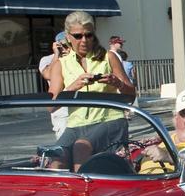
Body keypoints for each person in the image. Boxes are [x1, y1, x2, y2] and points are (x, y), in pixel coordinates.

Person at [47, 10, 135, 169]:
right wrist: (73, 86)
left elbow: (131, 96)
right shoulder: (61, 64)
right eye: (78, 36)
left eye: (88, 35)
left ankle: (86, 192)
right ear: (68, 37)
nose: (84, 40)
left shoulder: (109, 57)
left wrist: (118, 84)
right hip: (76, 124)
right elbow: (51, 106)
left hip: (109, 120)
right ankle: (64, 193)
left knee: (81, 147)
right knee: (55, 159)